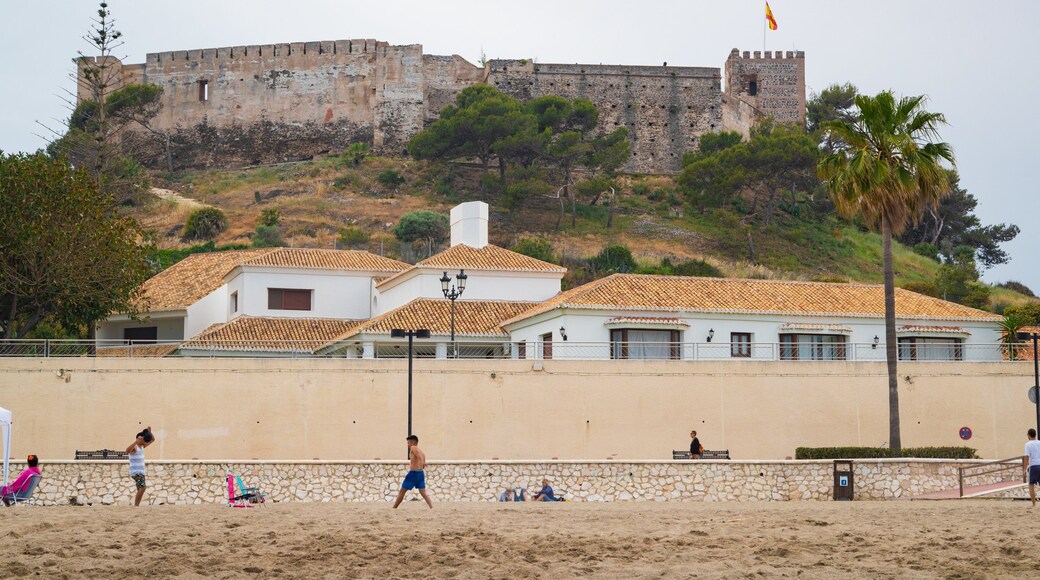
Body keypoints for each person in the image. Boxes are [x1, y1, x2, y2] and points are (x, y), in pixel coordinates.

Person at [393, 435, 433, 509]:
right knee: (423, 493)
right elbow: (421, 458)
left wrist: (422, 462)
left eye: (408, 443)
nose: (408, 445)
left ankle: (394, 508)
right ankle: (431, 507)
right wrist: (422, 463)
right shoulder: (421, 451)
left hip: (413, 474)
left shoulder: (413, 447)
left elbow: (419, 457)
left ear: (412, 442)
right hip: (420, 474)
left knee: (402, 492)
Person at [126, 426, 155, 507]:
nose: (144, 442)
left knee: (140, 488)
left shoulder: (142, 447)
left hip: (141, 471)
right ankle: (136, 505)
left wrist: (150, 432)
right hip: (136, 472)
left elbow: (152, 440)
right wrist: (136, 441)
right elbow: (127, 451)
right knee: (143, 487)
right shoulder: (135, 447)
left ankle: (136, 505)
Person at [1025, 428, 1040, 507]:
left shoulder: (1028, 444)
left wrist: (1024, 469)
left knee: (1031, 485)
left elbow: (1027, 457)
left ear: (1029, 435)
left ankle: (1034, 504)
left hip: (1033, 466)